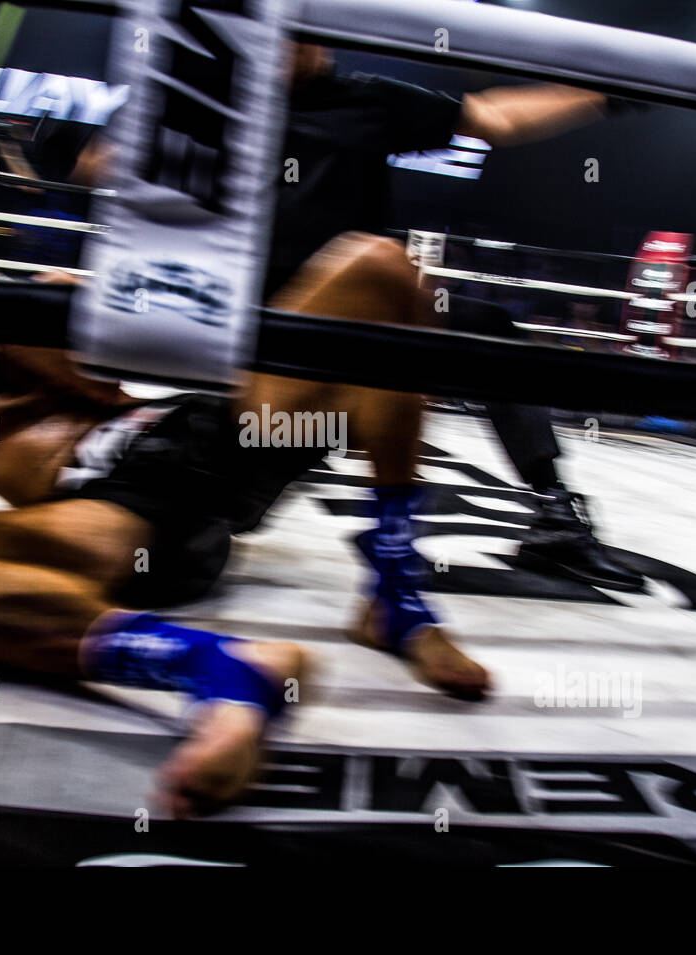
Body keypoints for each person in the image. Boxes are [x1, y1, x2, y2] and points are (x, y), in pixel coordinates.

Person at [0, 177, 490, 818]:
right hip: (110, 518)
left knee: (375, 266)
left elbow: (106, 386)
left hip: (195, 439)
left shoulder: (34, 304)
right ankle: (219, 669)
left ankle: (395, 594)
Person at [271, 43, 645, 591]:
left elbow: (492, 118)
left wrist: (599, 95)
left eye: (301, 32)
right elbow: (102, 161)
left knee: (492, 333)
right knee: (205, 520)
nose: (288, 44)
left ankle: (556, 516)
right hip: (248, 325)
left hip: (357, 316)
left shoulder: (366, 99)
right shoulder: (220, 101)